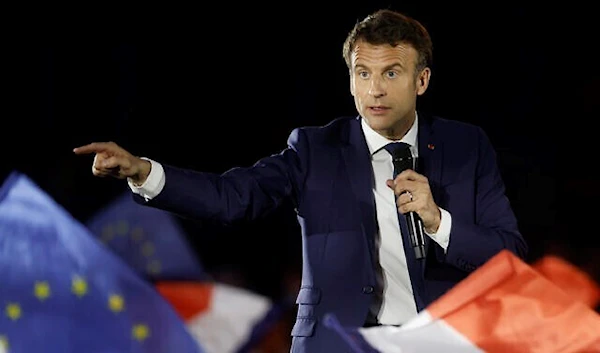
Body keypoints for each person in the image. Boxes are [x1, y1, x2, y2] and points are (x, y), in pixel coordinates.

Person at [74, 8, 528, 352]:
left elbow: (509, 254)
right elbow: (233, 198)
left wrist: (437, 221)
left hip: (438, 343)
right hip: (337, 344)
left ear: (422, 80)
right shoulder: (315, 150)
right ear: (350, 80)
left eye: (391, 73)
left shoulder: (466, 148)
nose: (375, 90)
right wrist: (143, 172)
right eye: (363, 73)